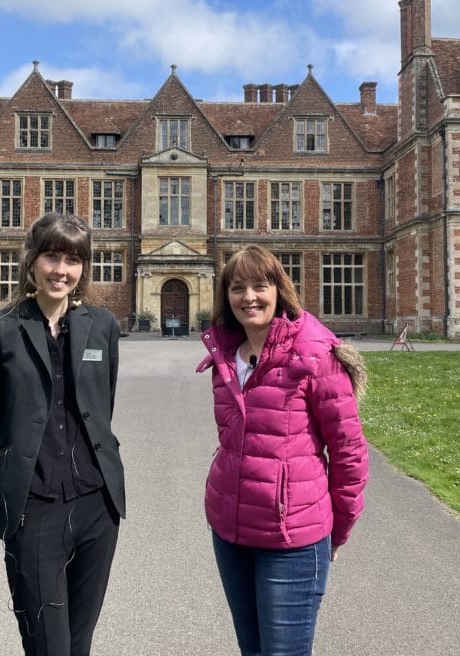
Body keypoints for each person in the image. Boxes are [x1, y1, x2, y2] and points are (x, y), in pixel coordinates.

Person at [196, 244, 369, 656]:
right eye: (237, 288)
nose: (249, 297)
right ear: (226, 297)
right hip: (231, 533)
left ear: (280, 290)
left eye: (260, 285)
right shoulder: (225, 357)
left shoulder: (315, 356)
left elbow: (349, 454)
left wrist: (337, 531)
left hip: (292, 539)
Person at [0, 212, 125, 656]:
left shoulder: (103, 326)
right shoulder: (0, 332)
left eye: (73, 260)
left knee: (79, 645)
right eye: (52, 257)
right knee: (48, 647)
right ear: (32, 262)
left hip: (97, 506)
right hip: (34, 509)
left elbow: (102, 408)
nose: (62, 270)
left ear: (83, 270)